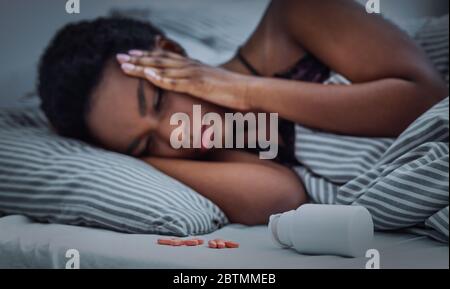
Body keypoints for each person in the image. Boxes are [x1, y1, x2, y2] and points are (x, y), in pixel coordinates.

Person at [38, 0, 447, 225]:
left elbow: (425, 100)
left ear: (172, 55)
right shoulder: (214, 150)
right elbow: (280, 197)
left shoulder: (294, 16)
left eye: (159, 102)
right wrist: (137, 157)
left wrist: (240, 90)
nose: (173, 133)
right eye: (145, 143)